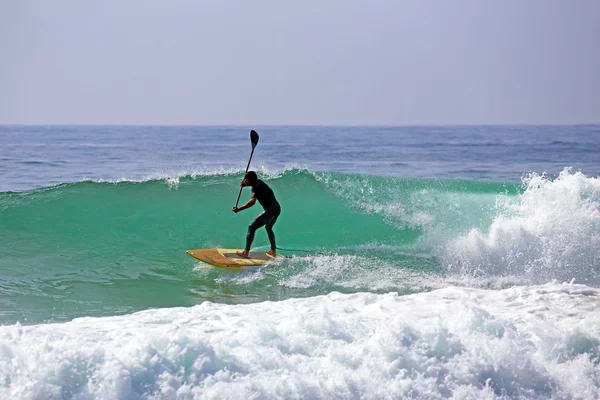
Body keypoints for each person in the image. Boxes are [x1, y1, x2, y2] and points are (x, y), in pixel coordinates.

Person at [232, 171, 281, 258]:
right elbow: (253, 187)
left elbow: (252, 202)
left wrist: (239, 209)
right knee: (268, 228)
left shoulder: (257, 187)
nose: (244, 181)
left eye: (245, 180)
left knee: (252, 227)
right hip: (277, 209)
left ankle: (245, 253)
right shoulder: (259, 183)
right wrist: (245, 185)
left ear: (250, 180)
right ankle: (273, 251)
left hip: (270, 211)